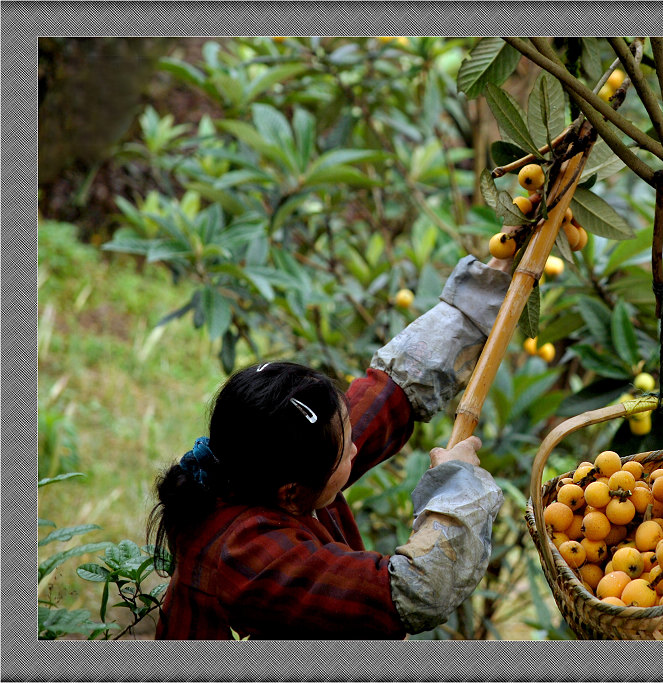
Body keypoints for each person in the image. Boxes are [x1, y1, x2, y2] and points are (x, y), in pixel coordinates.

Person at [149, 254, 513, 639]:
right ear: (291, 493)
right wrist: (457, 486)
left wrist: (479, 294)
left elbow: (390, 393)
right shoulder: (247, 556)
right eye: (344, 450)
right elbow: (414, 591)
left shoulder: (266, 456)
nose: (355, 447)